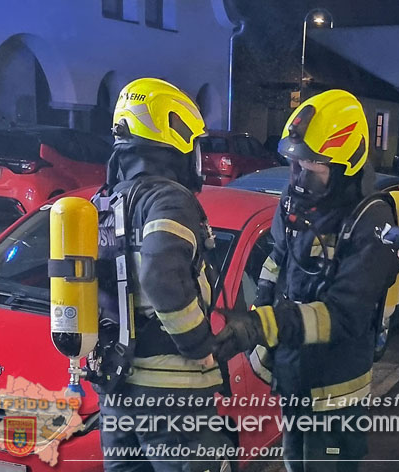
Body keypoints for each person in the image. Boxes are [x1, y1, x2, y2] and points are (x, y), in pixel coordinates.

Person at [214, 89, 399, 472]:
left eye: (310, 166)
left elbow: (345, 314)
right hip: (295, 379)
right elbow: (278, 260)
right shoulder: (293, 203)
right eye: (293, 165)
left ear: (345, 163)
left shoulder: (371, 219)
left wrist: (266, 324)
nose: (297, 177)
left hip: (335, 393)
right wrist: (262, 302)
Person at [96, 78, 227, 471]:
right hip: (172, 390)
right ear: (176, 139)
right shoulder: (169, 199)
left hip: (117, 386)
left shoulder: (106, 200)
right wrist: (199, 344)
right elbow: (160, 276)